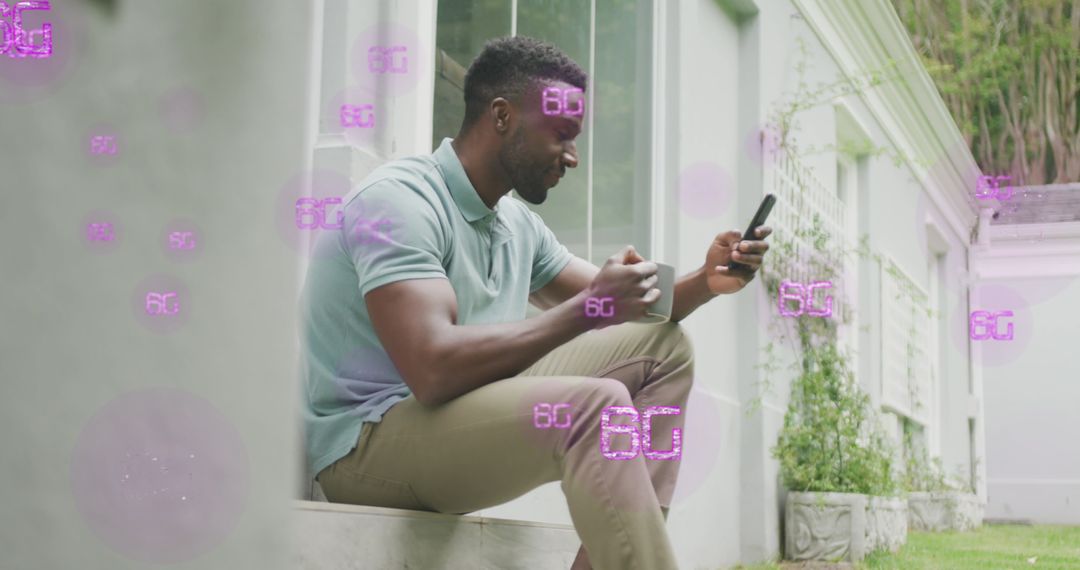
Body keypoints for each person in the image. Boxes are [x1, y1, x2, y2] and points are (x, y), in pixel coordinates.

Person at [300, 35, 771, 570]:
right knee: (596, 407)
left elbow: (634, 307)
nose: (572, 157)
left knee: (664, 346)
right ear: (502, 117)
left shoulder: (515, 224)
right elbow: (431, 369)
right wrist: (589, 306)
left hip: (453, 423)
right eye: (562, 136)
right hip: (366, 449)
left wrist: (706, 280)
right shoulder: (399, 202)